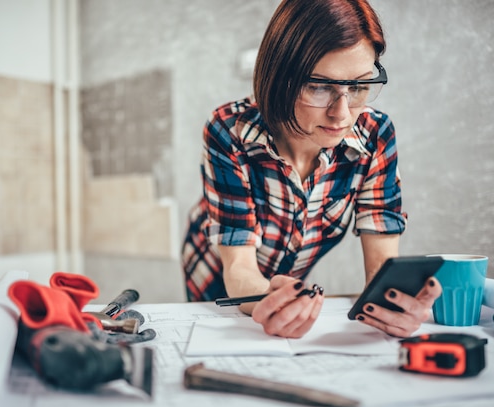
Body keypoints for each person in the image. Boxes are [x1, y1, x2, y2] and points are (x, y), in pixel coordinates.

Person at [181, 0, 441, 339]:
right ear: (280, 77)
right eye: (319, 87)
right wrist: (274, 299)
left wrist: (393, 305)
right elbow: (239, 268)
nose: (343, 114)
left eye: (359, 86)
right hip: (215, 273)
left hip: (283, 281)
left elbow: (382, 271)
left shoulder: (375, 135)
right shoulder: (229, 130)